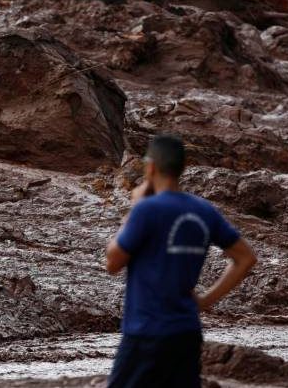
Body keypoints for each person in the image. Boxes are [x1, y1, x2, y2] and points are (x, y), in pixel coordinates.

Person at [105, 134, 257, 388]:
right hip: (187, 333)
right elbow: (246, 258)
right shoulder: (204, 210)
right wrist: (205, 301)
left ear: (150, 167)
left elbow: (112, 262)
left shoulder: (146, 209)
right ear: (182, 168)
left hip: (146, 332)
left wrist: (134, 209)